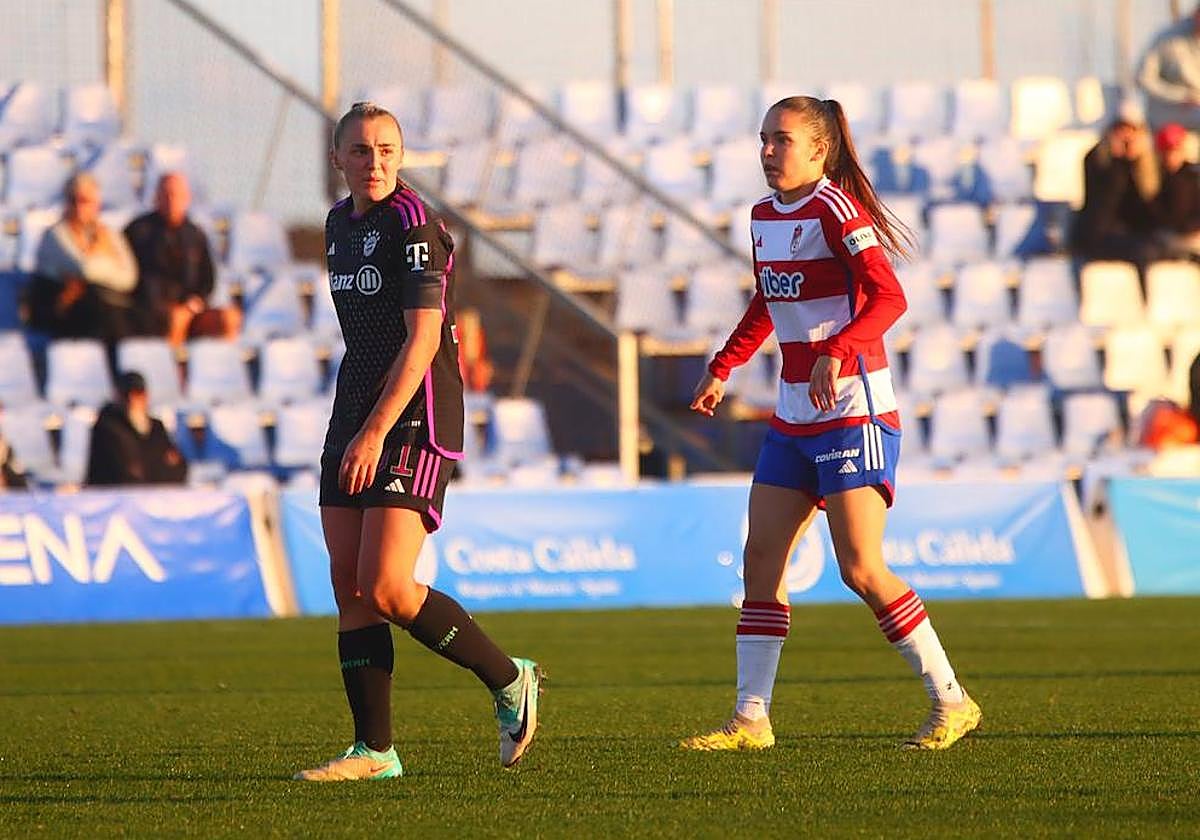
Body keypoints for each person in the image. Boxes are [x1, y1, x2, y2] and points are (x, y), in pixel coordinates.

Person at [680, 96, 980, 753]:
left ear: (819, 150)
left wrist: (840, 350)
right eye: (762, 139)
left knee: (862, 570)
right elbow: (770, 297)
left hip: (854, 410)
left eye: (781, 140)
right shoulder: (762, 216)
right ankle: (751, 720)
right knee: (761, 562)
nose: (767, 151)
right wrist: (723, 365)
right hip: (793, 415)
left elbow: (890, 296)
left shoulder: (837, 210)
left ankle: (952, 701)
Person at [295, 102, 540, 782]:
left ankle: (508, 678)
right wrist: (357, 419)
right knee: (349, 586)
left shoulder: (413, 226)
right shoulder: (338, 226)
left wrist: (376, 429)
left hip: (414, 412)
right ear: (338, 158)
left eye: (386, 150)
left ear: (400, 159)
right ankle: (375, 752)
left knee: (387, 587)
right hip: (356, 406)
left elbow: (424, 337)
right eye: (361, 150)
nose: (374, 162)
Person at [124, 172, 241, 346]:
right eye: (167, 194)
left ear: (187, 198)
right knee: (174, 319)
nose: (172, 200)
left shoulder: (195, 234)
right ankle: (172, 370)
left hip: (192, 309)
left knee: (229, 318)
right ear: (157, 197)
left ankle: (226, 369)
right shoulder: (138, 231)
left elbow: (208, 280)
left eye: (177, 195)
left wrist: (196, 302)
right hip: (153, 312)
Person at [31, 173, 138, 346]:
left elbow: (128, 278)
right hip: (64, 313)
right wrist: (104, 255)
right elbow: (84, 268)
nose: (79, 207)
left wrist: (92, 259)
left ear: (97, 204)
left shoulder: (109, 234)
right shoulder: (55, 235)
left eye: (85, 201)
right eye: (74, 200)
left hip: (107, 309)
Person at [1070, 116, 1163, 271]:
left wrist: (1136, 164)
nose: (1127, 140)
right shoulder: (1097, 161)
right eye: (1121, 134)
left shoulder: (1149, 166)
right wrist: (1117, 162)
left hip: (1134, 233)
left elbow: (1148, 212)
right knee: (1143, 251)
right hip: (1098, 234)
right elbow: (1102, 209)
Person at [84, 371, 187, 486]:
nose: (132, 400)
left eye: (137, 393)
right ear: (118, 396)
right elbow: (122, 474)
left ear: (146, 395)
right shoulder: (107, 428)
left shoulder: (157, 427)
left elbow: (179, 469)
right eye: (126, 394)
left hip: (154, 498)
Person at [1137, 5, 1200, 131]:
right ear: (1196, 15)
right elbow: (1143, 78)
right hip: (1168, 114)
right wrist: (1181, 96)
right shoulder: (1167, 38)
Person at [1150, 122, 1200, 258]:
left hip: (1190, 235)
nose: (1170, 156)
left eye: (1174, 150)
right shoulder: (1154, 177)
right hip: (1166, 236)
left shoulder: (1192, 175)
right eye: (1166, 151)